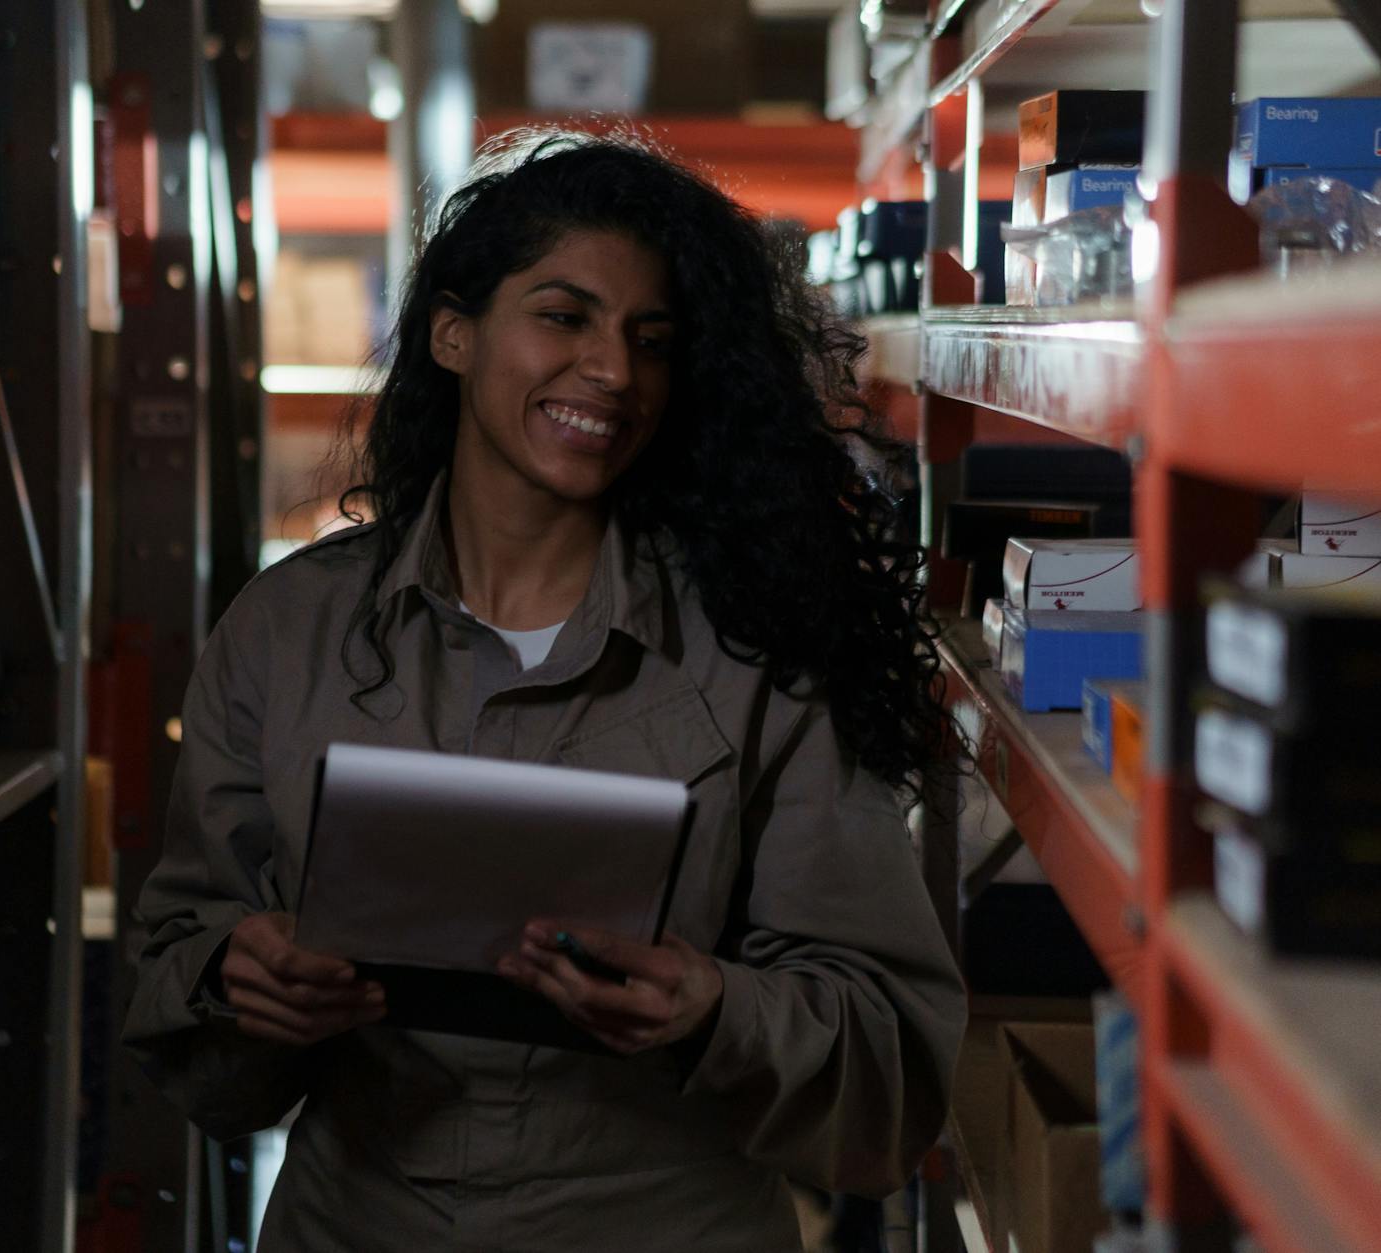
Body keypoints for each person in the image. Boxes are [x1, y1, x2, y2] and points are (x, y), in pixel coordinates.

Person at [121, 129, 966, 1251]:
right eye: (563, 317)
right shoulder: (287, 632)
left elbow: (888, 1069)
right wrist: (239, 983)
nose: (613, 371)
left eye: (649, 339)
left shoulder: (758, 652)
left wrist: (714, 1009)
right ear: (454, 333)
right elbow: (179, 993)